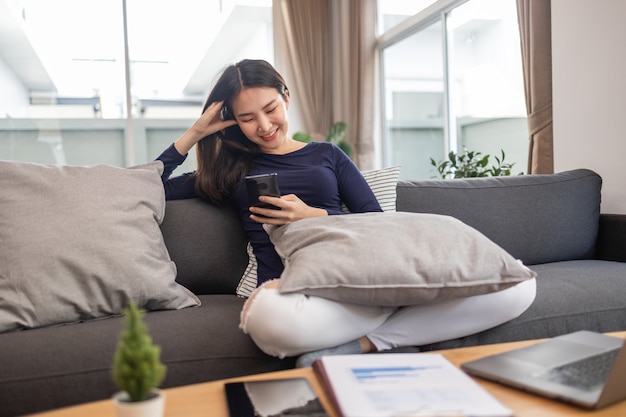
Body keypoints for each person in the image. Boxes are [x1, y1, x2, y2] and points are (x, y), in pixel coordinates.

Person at [157, 59, 537, 367]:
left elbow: (375, 220)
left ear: (286, 96)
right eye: (247, 118)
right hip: (300, 296)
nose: (264, 125)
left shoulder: (327, 155)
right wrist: (195, 132)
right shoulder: (230, 170)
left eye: (270, 108)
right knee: (266, 320)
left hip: (363, 280)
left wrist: (316, 217)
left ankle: (369, 344)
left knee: (520, 286)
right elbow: (147, 183)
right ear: (232, 121)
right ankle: (410, 326)